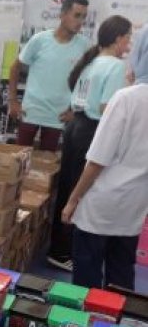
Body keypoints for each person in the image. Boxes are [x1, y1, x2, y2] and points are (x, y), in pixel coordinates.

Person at [47, 15, 131, 272]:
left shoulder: (92, 62)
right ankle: (69, 253)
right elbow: (108, 107)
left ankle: (59, 250)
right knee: (81, 191)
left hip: (75, 127)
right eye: (128, 37)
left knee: (67, 187)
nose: (129, 44)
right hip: (93, 129)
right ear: (118, 38)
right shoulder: (115, 66)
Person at [62, 82, 148, 290]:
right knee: (121, 275)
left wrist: (73, 199)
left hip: (103, 200)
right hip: (135, 203)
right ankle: (119, 321)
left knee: (86, 277)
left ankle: (83, 322)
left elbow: (98, 159)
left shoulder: (126, 97)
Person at [9, 0, 91, 151]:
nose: (80, 21)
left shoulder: (85, 46)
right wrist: (13, 101)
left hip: (57, 117)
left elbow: (87, 81)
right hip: (30, 112)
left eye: (84, 17)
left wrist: (76, 111)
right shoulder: (39, 40)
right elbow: (15, 68)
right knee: (19, 162)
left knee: (46, 167)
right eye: (77, 15)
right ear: (62, 15)